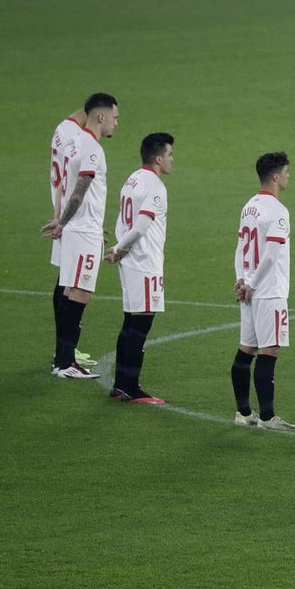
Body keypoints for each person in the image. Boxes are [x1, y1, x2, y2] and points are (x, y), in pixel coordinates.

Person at [40, 93, 119, 380]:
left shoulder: (75, 143)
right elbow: (81, 188)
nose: (116, 123)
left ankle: (62, 360)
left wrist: (63, 219)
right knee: (80, 293)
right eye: (115, 117)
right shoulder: (92, 148)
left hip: (81, 226)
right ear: (101, 116)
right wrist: (63, 221)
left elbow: (64, 187)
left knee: (70, 288)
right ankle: (65, 363)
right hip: (81, 231)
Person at [103, 133, 175, 405]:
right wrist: (119, 248)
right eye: (169, 155)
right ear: (158, 158)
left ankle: (121, 384)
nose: (171, 160)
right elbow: (142, 225)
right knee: (140, 327)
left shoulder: (132, 179)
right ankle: (131, 387)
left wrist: (120, 251)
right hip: (145, 262)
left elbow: (123, 219)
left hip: (130, 261)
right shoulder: (155, 186)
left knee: (130, 323)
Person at [230, 152, 295, 431]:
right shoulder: (278, 211)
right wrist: (253, 283)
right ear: (275, 176)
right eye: (286, 172)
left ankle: (243, 412)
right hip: (268, 290)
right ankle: (268, 417)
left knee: (246, 350)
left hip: (249, 288)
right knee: (268, 351)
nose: (288, 176)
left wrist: (242, 280)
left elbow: (240, 248)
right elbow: (270, 255)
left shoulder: (249, 207)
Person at [48, 105, 97, 371]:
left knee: (66, 281)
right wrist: (67, 220)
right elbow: (72, 184)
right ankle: (65, 355)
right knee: (70, 285)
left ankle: (64, 353)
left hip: (66, 215)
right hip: (70, 218)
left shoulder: (63, 130)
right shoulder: (77, 138)